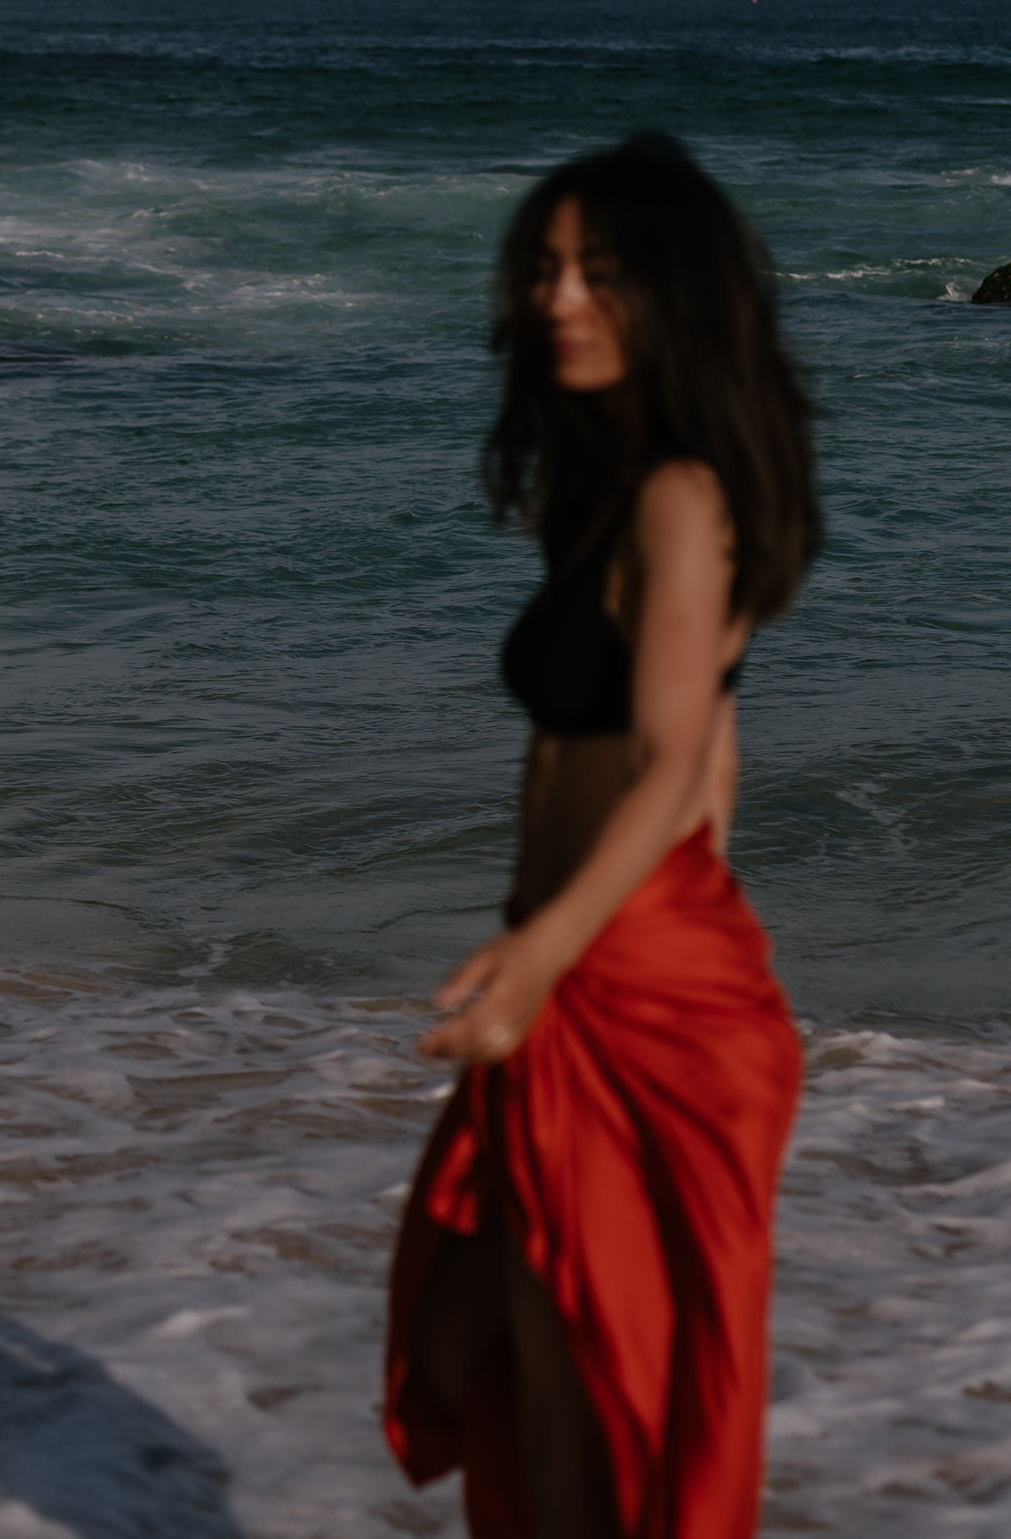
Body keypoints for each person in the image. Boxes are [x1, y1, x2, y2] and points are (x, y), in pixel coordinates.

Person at [383, 133, 820, 1539]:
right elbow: (722, 757)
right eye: (547, 266)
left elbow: (676, 756)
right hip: (587, 967)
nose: (559, 296)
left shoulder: (685, 498)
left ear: (675, 296)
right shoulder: (614, 494)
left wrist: (545, 956)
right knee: (504, 1360)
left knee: (595, 1395)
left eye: (604, 272)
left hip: (627, 982)